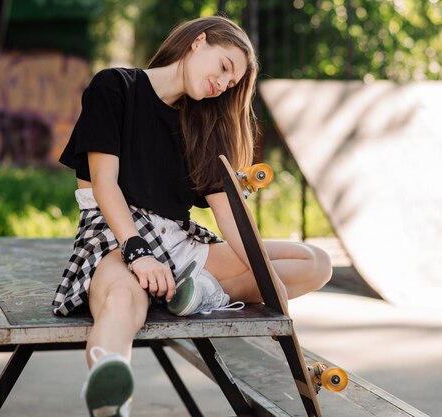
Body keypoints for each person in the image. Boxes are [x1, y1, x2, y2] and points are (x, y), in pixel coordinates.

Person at [52, 15, 332, 417]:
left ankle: (201, 292)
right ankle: (110, 391)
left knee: (314, 263)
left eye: (231, 84)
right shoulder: (116, 87)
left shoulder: (206, 122)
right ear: (197, 42)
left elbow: (230, 220)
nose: (223, 84)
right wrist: (137, 251)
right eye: (224, 68)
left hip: (180, 243)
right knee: (120, 300)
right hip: (117, 233)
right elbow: (104, 184)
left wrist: (268, 283)